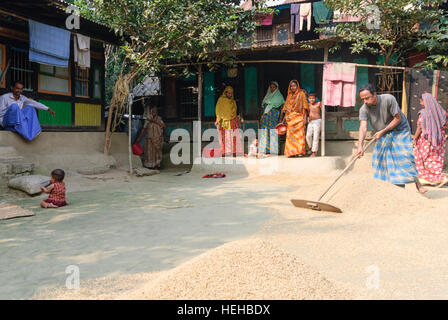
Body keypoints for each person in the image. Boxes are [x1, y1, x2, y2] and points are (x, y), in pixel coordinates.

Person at [356, 84, 427, 194]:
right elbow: (363, 127)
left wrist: (383, 131)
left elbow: (397, 119)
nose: (365, 101)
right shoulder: (363, 109)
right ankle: (395, 186)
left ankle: (418, 184)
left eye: (367, 98)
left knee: (405, 156)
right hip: (383, 133)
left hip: (400, 130)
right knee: (386, 160)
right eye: (362, 99)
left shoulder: (388, 99)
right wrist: (360, 146)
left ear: (374, 94)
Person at [413, 93, 448, 187]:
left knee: (425, 158)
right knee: (436, 158)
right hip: (439, 139)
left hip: (427, 140)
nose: (420, 103)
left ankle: (440, 178)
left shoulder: (424, 113)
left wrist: (415, 138)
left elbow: (420, 127)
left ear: (426, 101)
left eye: (421, 101)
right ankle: (429, 179)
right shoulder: (440, 111)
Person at [280, 80, 309, 158]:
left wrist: (305, 118)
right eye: (291, 86)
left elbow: (305, 107)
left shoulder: (301, 94)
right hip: (290, 120)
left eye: (294, 86)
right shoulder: (289, 96)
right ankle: (291, 152)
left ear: (297, 86)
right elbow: (286, 109)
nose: (293, 87)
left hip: (299, 118)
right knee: (291, 137)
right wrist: (283, 121)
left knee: (299, 136)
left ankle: (299, 152)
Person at [215, 86, 243, 156]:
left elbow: (235, 111)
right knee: (226, 138)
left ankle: (234, 151)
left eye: (231, 93)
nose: (229, 94)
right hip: (224, 122)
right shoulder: (221, 100)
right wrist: (217, 119)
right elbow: (218, 110)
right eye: (228, 93)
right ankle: (226, 151)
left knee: (233, 137)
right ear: (225, 92)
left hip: (233, 121)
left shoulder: (233, 101)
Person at [259, 81, 285, 155]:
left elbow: (283, 107)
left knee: (273, 131)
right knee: (265, 131)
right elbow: (264, 107)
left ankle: (273, 150)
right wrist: (262, 116)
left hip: (274, 116)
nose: (272, 88)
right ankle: (266, 150)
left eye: (274, 87)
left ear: (277, 88)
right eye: (271, 87)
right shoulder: (268, 96)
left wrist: (280, 118)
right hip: (266, 116)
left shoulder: (279, 96)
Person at [306, 93, 322, 157]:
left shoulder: (318, 104)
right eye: (310, 98)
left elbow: (323, 111)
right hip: (311, 121)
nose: (311, 99)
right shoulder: (308, 105)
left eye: (313, 98)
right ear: (308, 99)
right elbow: (307, 112)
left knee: (316, 136)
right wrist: (307, 117)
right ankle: (310, 147)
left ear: (315, 99)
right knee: (308, 135)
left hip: (317, 121)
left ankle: (314, 152)